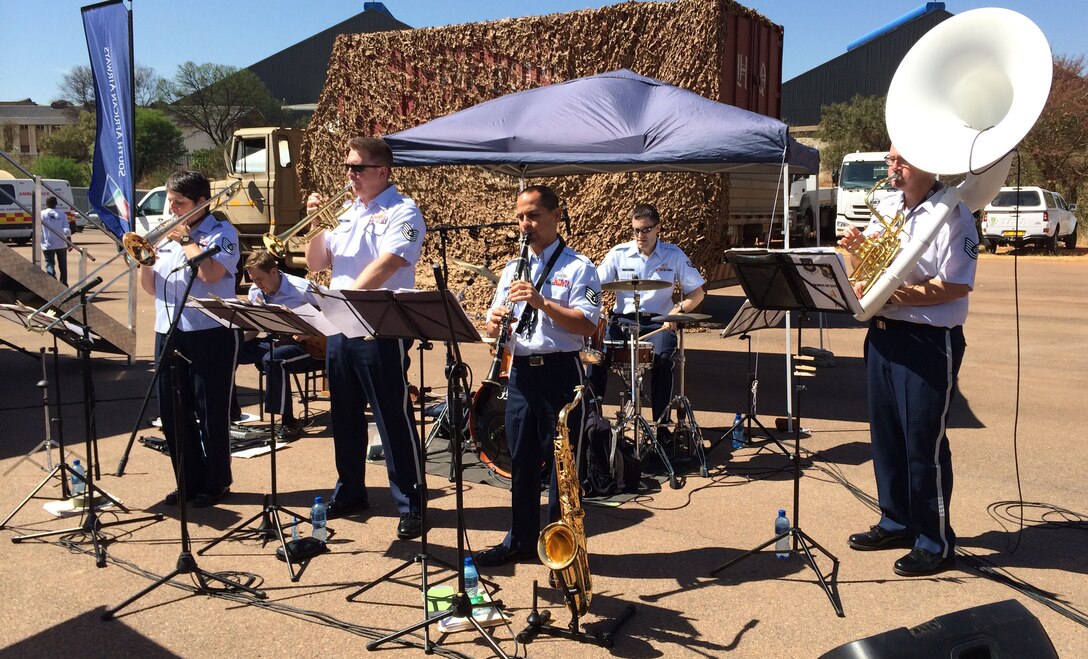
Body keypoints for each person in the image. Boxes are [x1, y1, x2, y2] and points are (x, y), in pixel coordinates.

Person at [838, 145, 976, 576]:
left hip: (927, 341)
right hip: (883, 336)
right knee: (887, 438)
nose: (891, 169)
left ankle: (935, 542)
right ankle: (896, 521)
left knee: (924, 445)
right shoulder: (890, 207)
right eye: (890, 161)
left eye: (900, 162)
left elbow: (955, 285)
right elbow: (872, 271)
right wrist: (859, 252)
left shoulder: (953, 213)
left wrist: (892, 292)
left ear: (925, 165)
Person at [305, 136, 426, 540]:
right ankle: (351, 491)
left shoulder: (403, 210)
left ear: (381, 171)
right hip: (341, 323)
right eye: (347, 167)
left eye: (357, 167)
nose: (350, 175)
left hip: (377, 324)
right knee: (344, 414)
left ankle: (411, 501)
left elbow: (391, 261)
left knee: (392, 416)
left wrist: (348, 297)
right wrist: (315, 227)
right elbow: (317, 262)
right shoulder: (345, 212)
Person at [476, 185, 602, 567]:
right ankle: (520, 539)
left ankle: (560, 550)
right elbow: (495, 316)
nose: (524, 225)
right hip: (520, 376)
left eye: (532, 216)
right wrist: (494, 320)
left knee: (561, 468)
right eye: (519, 217)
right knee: (521, 461)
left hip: (560, 374)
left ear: (555, 215)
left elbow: (587, 324)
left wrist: (541, 302)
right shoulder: (513, 267)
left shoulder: (579, 266)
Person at [138, 171, 240, 508]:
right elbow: (152, 288)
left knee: (210, 409)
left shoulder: (223, 233)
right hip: (169, 330)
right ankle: (188, 479)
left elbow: (211, 275)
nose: (172, 208)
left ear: (201, 202)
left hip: (209, 331)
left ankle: (216, 481)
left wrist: (185, 240)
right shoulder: (167, 235)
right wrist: (145, 259)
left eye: (179, 203)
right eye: (170, 201)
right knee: (172, 410)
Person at [587, 203, 705, 433]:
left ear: (658, 228)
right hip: (623, 322)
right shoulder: (619, 254)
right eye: (635, 230)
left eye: (646, 230)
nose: (640, 236)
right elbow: (593, 287)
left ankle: (661, 427)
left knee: (663, 360)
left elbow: (698, 292)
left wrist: (676, 312)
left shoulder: (674, 254)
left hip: (659, 322)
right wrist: (595, 309)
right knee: (596, 358)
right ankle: (593, 422)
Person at [233, 250, 323, 440]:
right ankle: (230, 412)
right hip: (275, 340)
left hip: (309, 346)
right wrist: (235, 341)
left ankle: (289, 421)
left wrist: (308, 332)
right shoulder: (256, 290)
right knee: (230, 351)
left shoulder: (301, 288)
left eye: (260, 279)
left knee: (274, 359)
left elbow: (331, 314)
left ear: (274, 272)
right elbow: (255, 328)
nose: (257, 283)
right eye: (253, 279)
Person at [40, 196, 71, 285]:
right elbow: (66, 230)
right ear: (56, 203)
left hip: (47, 243)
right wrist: (69, 242)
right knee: (63, 265)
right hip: (61, 243)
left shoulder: (41, 214)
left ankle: (52, 281)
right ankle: (64, 283)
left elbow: (37, 229)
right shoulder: (62, 214)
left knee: (49, 263)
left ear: (46, 204)